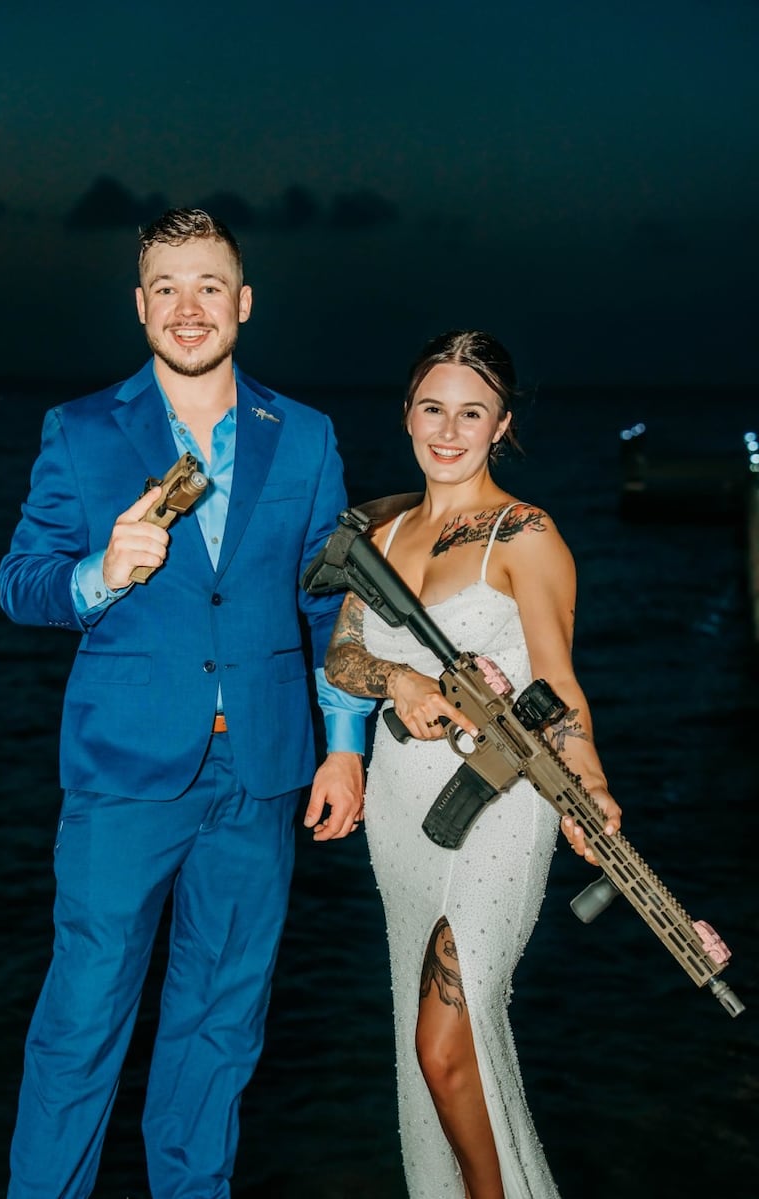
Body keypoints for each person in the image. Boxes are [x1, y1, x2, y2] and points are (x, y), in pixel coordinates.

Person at [0, 207, 370, 1199]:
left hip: (262, 771)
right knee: (81, 1021)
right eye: (166, 286)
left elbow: (331, 603)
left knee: (219, 1028)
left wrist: (344, 745)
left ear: (244, 302)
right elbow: (21, 581)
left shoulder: (304, 435)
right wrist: (98, 571)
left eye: (209, 284)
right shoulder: (80, 430)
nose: (188, 306)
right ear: (139, 305)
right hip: (124, 774)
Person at [324, 329, 622, 1199]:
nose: (448, 431)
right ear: (406, 415)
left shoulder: (525, 535)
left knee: (446, 1042)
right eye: (433, 408)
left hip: (499, 806)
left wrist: (592, 788)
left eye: (471, 412)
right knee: (424, 1046)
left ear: (502, 426)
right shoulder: (380, 531)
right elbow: (342, 657)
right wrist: (401, 679)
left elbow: (559, 686)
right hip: (401, 809)